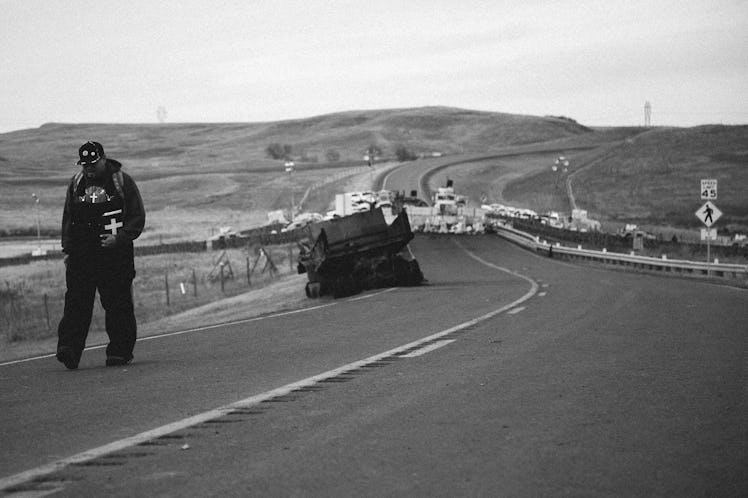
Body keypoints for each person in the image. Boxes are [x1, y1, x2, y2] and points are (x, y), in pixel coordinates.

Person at [56, 141, 145, 370]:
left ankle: (119, 352)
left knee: (118, 303)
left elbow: (137, 216)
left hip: (114, 254)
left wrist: (121, 237)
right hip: (82, 255)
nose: (89, 169)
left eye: (93, 164)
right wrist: (68, 249)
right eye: (85, 165)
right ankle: (69, 349)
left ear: (104, 159)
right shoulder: (76, 184)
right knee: (76, 302)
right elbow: (68, 217)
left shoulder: (122, 181)